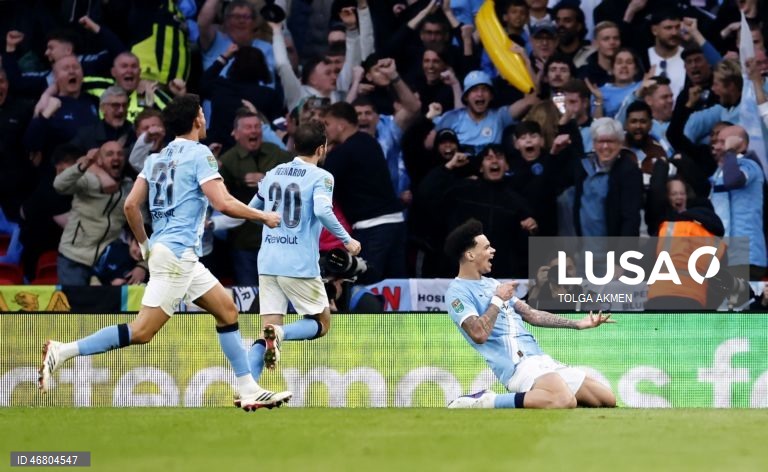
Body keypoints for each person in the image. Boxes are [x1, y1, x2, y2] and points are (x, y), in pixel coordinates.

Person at [39, 94, 292, 411]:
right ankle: (62, 351)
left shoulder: (156, 158)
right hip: (177, 256)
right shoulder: (201, 154)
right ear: (196, 120)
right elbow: (223, 203)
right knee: (142, 331)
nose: (204, 116)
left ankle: (248, 388)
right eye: (201, 112)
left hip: (170, 251)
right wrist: (264, 216)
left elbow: (131, 205)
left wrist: (146, 246)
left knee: (227, 311)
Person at [443, 218, 616, 409]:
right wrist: (497, 300)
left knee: (606, 399)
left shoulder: (493, 284)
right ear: (470, 255)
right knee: (564, 401)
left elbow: (531, 314)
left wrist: (577, 324)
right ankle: (488, 401)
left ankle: (544, 395)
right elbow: (478, 334)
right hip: (517, 366)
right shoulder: (457, 292)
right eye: (486, 248)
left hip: (539, 359)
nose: (492, 251)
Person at [246, 121, 361, 378]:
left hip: (268, 261)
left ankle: (248, 387)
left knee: (267, 333)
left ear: (295, 146)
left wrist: (274, 219)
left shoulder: (273, 172)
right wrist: (346, 240)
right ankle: (281, 333)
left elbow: (252, 212)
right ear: (322, 149)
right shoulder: (321, 176)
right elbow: (322, 210)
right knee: (321, 323)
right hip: (298, 264)